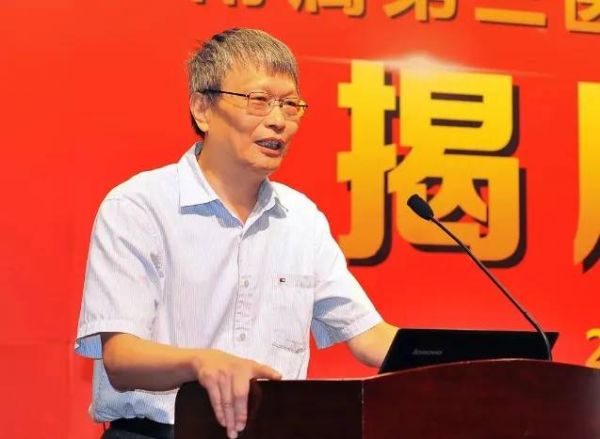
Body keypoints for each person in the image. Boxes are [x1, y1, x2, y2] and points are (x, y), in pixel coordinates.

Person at [75, 28, 398, 439]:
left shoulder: (302, 219)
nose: (278, 121)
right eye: (258, 101)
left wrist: (462, 360)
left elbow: (369, 337)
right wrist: (201, 363)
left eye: (290, 105)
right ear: (202, 109)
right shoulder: (139, 206)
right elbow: (121, 358)